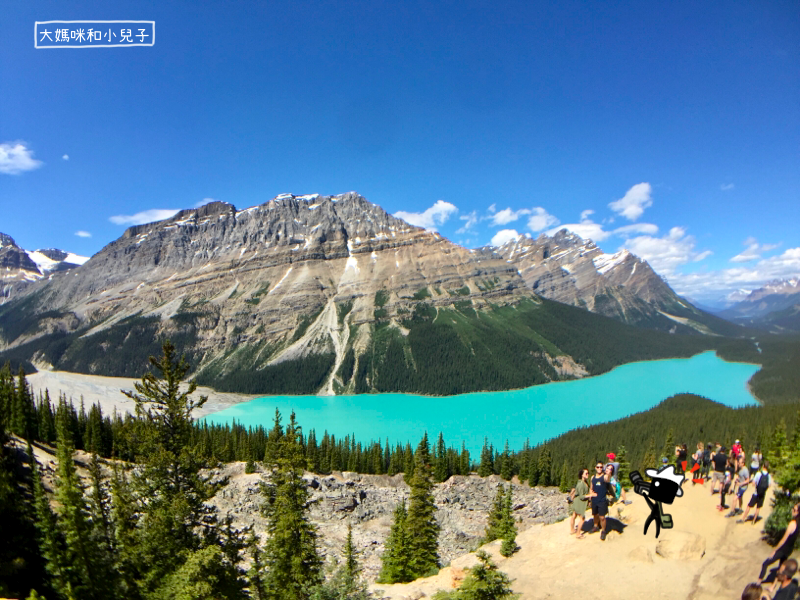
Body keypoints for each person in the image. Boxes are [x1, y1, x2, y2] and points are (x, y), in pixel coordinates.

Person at [759, 502, 800, 582]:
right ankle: (773, 586)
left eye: (794, 510)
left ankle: (758, 583)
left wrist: (774, 551)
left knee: (765, 564)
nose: (792, 511)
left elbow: (783, 540)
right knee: (781, 567)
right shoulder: (798, 524)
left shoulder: (792, 524)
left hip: (783, 549)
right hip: (789, 549)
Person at [739, 461, 771, 525]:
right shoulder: (768, 475)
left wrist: (756, 485)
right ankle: (753, 521)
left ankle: (743, 518)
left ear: (763, 466)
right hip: (762, 494)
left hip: (756, 493)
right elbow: (769, 485)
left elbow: (753, 483)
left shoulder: (758, 474)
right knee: (758, 508)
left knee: (749, 506)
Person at [589, 461, 613, 541]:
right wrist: (590, 497)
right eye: (598, 467)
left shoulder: (604, 477)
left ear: (603, 468)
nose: (599, 468)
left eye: (601, 467)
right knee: (595, 515)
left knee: (602, 517)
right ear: (595, 468)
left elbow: (608, 478)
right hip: (594, 500)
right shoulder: (593, 477)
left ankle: (603, 530)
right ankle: (595, 526)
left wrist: (609, 472)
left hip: (602, 500)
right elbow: (591, 488)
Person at [570, 468, 591, 539]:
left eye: (588, 473)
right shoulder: (581, 484)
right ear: (582, 475)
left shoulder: (582, 482)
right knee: (582, 518)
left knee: (574, 515)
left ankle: (572, 530)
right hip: (579, 503)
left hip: (576, 501)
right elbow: (582, 496)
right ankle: (578, 534)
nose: (588, 474)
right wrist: (591, 495)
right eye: (586, 473)